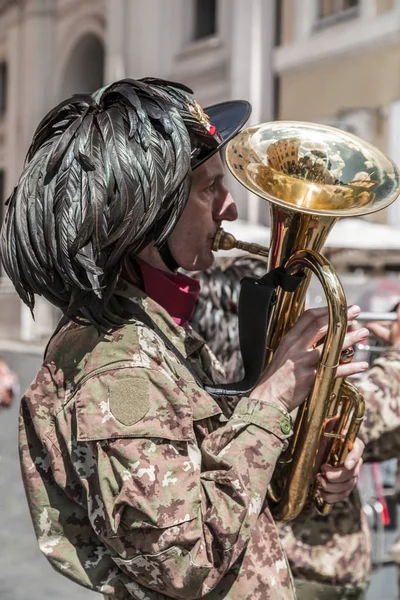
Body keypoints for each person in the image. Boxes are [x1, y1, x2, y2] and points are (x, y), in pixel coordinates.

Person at [0, 78, 367, 600]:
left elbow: (219, 486)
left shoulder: (158, 335)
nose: (231, 208)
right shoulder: (117, 373)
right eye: (209, 190)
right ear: (149, 218)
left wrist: (313, 465)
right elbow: (184, 562)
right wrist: (275, 394)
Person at [191, 257, 400, 600]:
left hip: (316, 573)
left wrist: (345, 457)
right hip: (291, 572)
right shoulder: (244, 386)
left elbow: (373, 433)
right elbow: (378, 410)